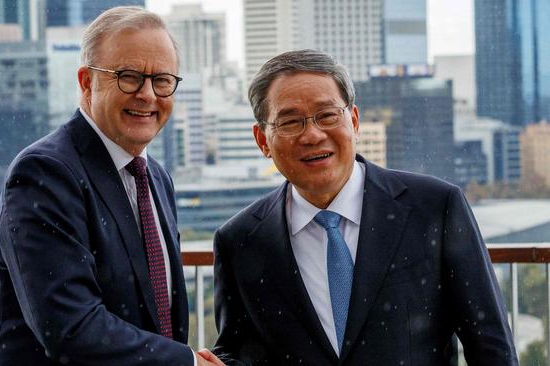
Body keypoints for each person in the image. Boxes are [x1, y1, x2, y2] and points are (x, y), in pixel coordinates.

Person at [209, 50, 518, 365]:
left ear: (354, 121)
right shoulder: (240, 240)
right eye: (290, 122)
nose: (313, 135)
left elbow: (491, 344)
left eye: (327, 115)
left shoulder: (435, 207)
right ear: (262, 140)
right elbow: (236, 351)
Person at [0, 6, 223, 366]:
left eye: (162, 80)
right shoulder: (43, 172)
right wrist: (187, 363)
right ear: (86, 82)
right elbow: (69, 328)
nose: (148, 94)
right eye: (128, 76)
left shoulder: (155, 177)